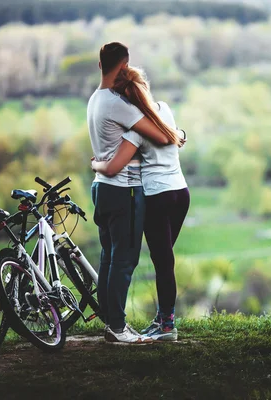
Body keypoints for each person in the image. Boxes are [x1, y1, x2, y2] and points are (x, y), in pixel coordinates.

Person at [87, 42, 180, 344]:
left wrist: (97, 165)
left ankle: (108, 318)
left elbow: (106, 162)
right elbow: (162, 137)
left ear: (101, 65)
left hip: (101, 190)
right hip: (124, 191)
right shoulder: (121, 106)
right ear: (124, 67)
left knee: (108, 257)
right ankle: (117, 326)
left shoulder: (95, 100)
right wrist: (179, 135)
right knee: (124, 260)